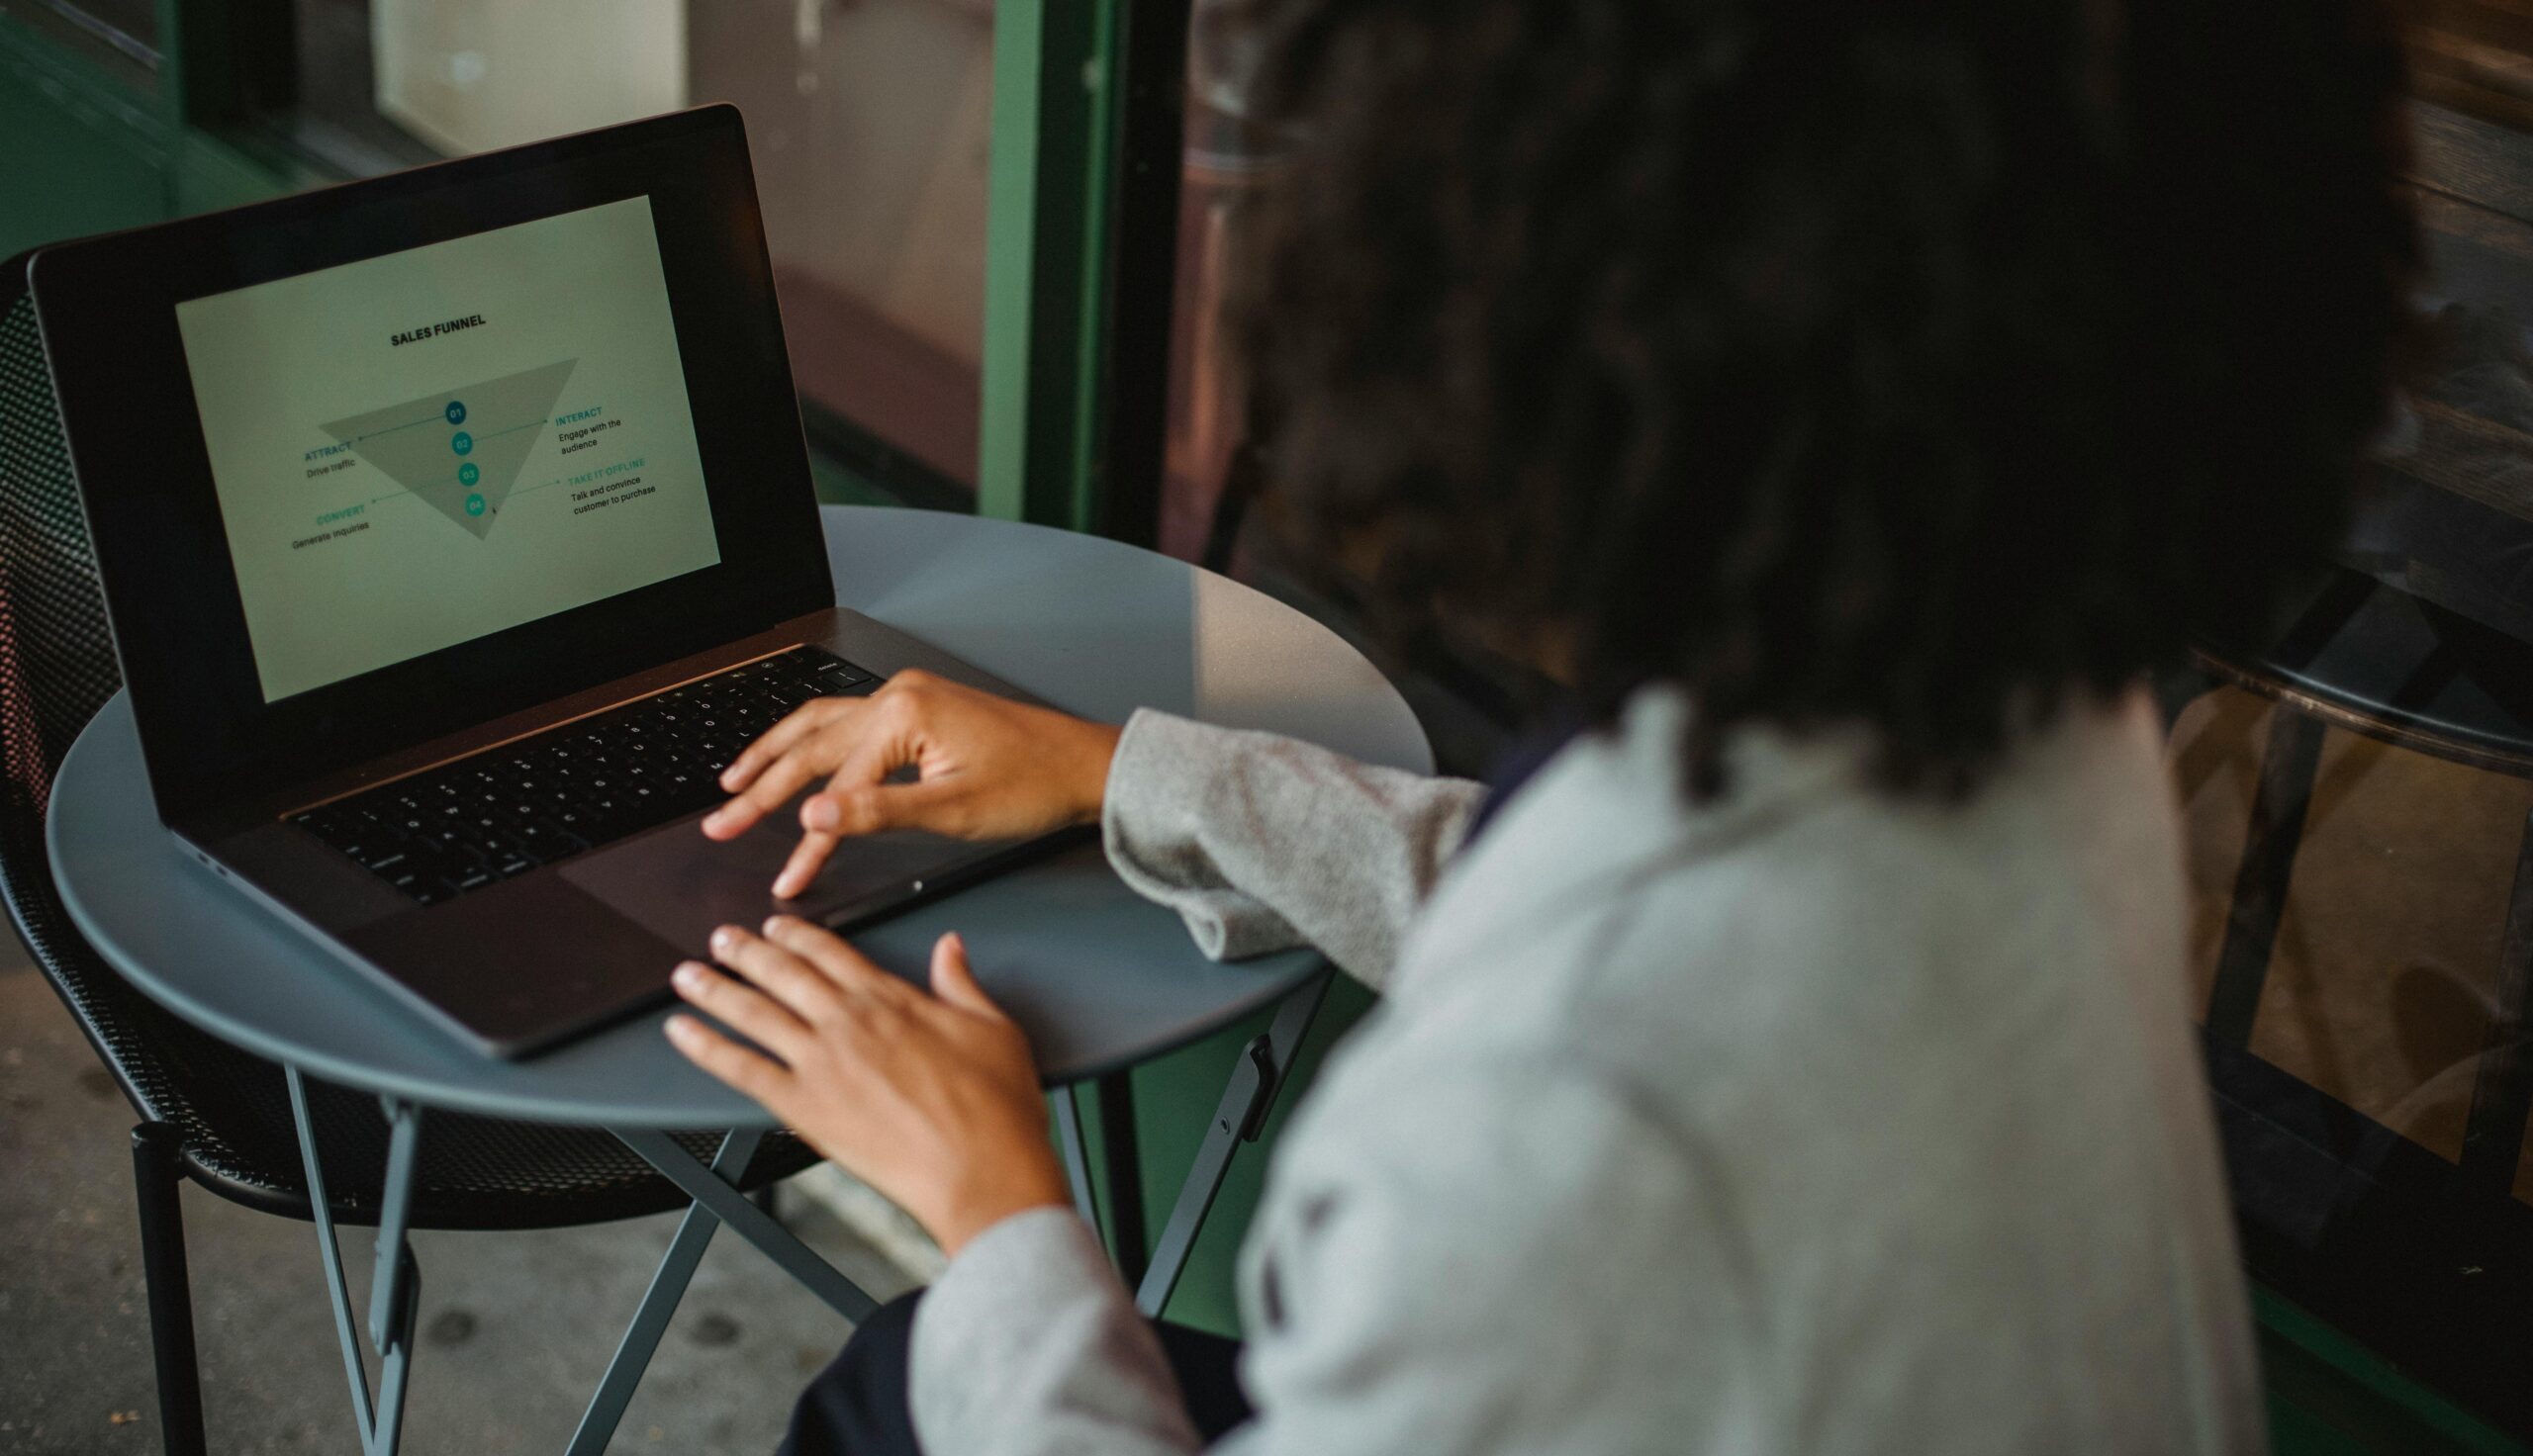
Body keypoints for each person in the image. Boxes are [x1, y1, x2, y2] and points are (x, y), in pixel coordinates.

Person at [670, 0, 2415, 1451]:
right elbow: (1632, 917)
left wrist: (993, 1202)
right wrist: (1124, 774)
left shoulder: (1558, 1149)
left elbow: (1611, 1035)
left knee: (910, 1383)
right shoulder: (2020, 687)